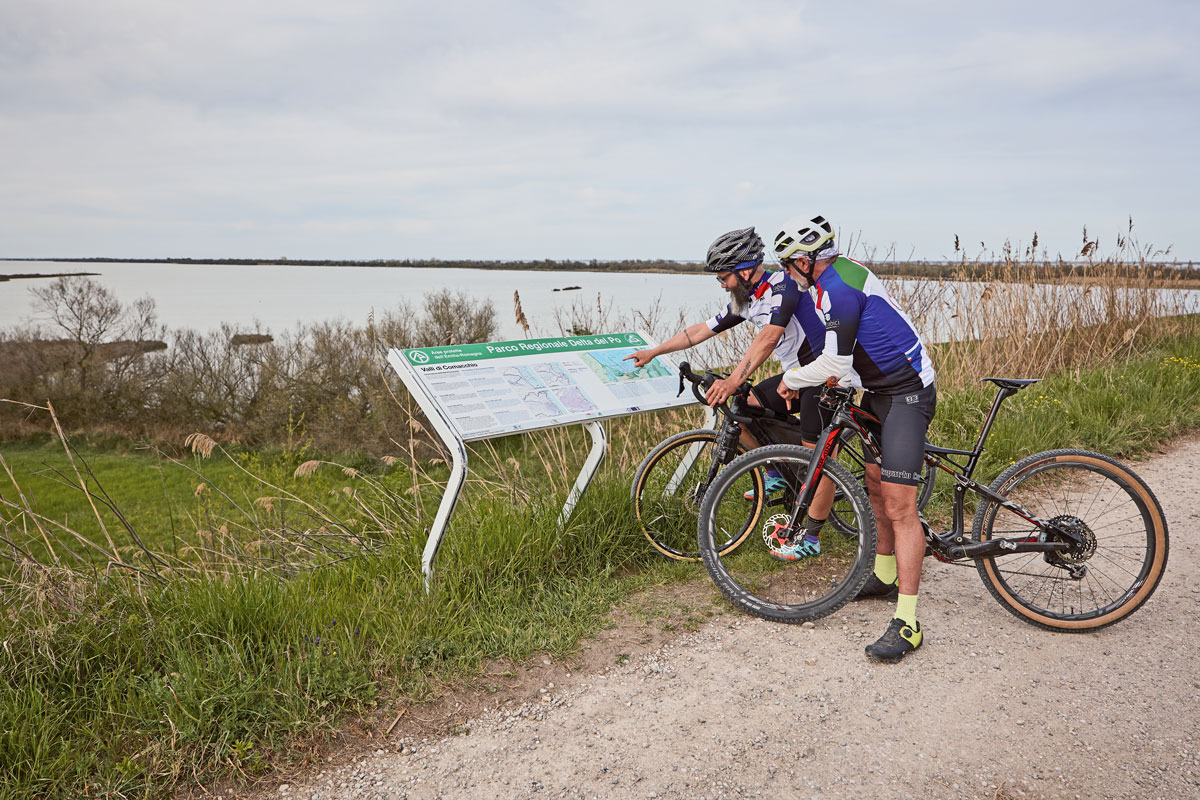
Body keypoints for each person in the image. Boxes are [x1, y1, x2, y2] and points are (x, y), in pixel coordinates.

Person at [773, 213, 937, 664]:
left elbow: (835, 366)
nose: (787, 273)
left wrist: (791, 378)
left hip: (907, 394)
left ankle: (909, 622)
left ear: (807, 260)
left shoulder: (840, 290)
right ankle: (884, 576)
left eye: (789, 264)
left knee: (900, 505)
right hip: (878, 392)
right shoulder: (833, 279)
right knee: (875, 487)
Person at [623, 227, 831, 557]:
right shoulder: (747, 299)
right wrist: (654, 351)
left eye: (723, 277)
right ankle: (774, 469)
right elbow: (700, 331)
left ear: (745, 270)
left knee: (817, 460)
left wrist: (733, 379)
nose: (721, 284)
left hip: (822, 376)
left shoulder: (785, 286)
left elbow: (769, 338)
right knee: (741, 408)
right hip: (795, 377)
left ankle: (811, 537)